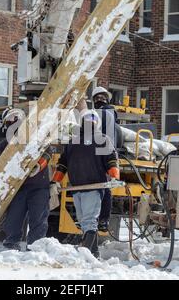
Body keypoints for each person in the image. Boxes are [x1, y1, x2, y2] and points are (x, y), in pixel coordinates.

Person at [52, 110, 120, 258]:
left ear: (97, 123)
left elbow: (111, 159)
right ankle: (94, 253)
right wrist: (55, 181)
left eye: (92, 119)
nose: (90, 122)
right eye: (87, 119)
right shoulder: (73, 141)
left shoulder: (102, 139)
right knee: (85, 222)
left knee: (89, 221)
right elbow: (63, 163)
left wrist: (114, 176)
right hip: (77, 188)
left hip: (94, 187)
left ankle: (86, 253)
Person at [0, 108, 52, 251]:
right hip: (17, 188)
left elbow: (47, 152)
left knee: (38, 219)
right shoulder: (5, 144)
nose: (13, 122)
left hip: (38, 186)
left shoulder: (35, 137)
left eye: (16, 118)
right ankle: (11, 245)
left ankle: (35, 248)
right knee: (13, 219)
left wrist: (38, 166)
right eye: (9, 120)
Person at [92, 86, 119, 232]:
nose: (99, 100)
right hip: (104, 153)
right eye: (97, 98)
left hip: (104, 153)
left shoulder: (105, 112)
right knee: (104, 187)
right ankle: (102, 220)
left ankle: (102, 219)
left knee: (104, 187)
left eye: (100, 98)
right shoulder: (110, 112)